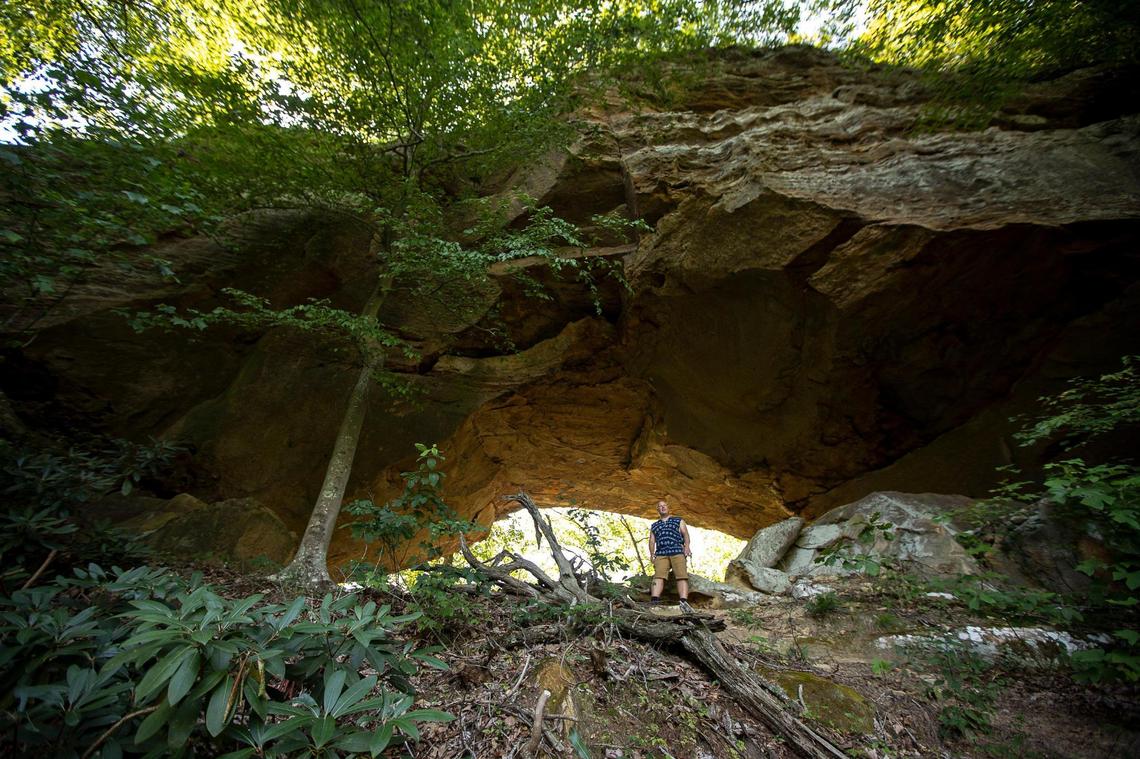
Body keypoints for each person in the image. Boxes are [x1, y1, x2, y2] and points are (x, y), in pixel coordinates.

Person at [648, 499, 694, 613]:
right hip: (661, 553)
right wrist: (651, 554)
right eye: (660, 506)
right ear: (657, 510)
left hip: (677, 550)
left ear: (668, 508)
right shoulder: (654, 525)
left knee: (681, 576)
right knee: (658, 576)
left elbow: (686, 534)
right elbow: (651, 541)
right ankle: (654, 601)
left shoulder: (678, 520)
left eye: (664, 506)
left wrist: (687, 547)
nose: (662, 507)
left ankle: (683, 602)